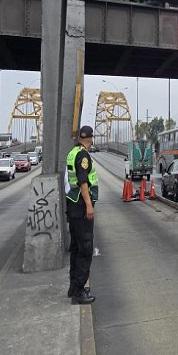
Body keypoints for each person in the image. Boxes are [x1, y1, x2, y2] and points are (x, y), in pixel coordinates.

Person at [65, 125, 99, 305]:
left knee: (76, 248)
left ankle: (73, 287)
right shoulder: (83, 156)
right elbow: (83, 180)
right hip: (81, 207)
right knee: (85, 249)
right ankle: (79, 292)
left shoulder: (73, 152)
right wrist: (89, 205)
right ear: (91, 138)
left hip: (73, 206)